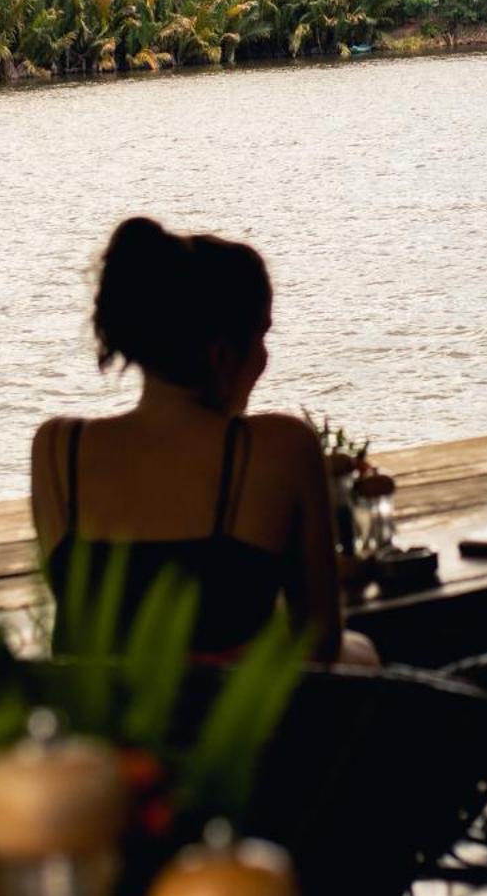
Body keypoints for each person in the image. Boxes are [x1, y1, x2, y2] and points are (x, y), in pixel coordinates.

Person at [32, 216, 377, 665]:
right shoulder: (282, 445)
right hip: (227, 731)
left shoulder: (58, 448)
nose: (264, 356)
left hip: (99, 728)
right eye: (262, 335)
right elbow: (319, 642)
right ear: (222, 353)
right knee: (362, 654)